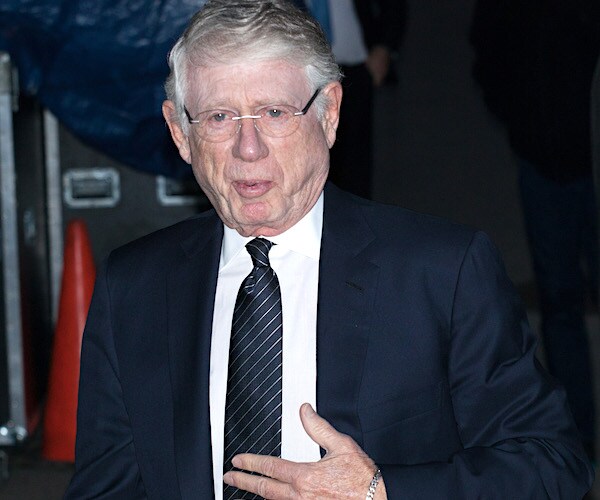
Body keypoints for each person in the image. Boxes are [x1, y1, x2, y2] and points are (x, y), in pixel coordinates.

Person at [65, 1, 593, 498]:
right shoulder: (133, 288)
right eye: (220, 117)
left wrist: (379, 491)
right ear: (180, 133)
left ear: (330, 113)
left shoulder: (441, 272)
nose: (248, 149)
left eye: (274, 112)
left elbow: (553, 467)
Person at [470, 0, 600, 462]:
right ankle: (580, 432)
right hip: (543, 161)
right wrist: (519, 119)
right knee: (558, 299)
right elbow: (488, 50)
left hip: (582, 155)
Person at [291, 0, 406, 199]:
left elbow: (394, 7)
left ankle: (352, 225)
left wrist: (384, 47)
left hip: (356, 69)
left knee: (355, 164)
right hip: (296, 73)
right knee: (301, 160)